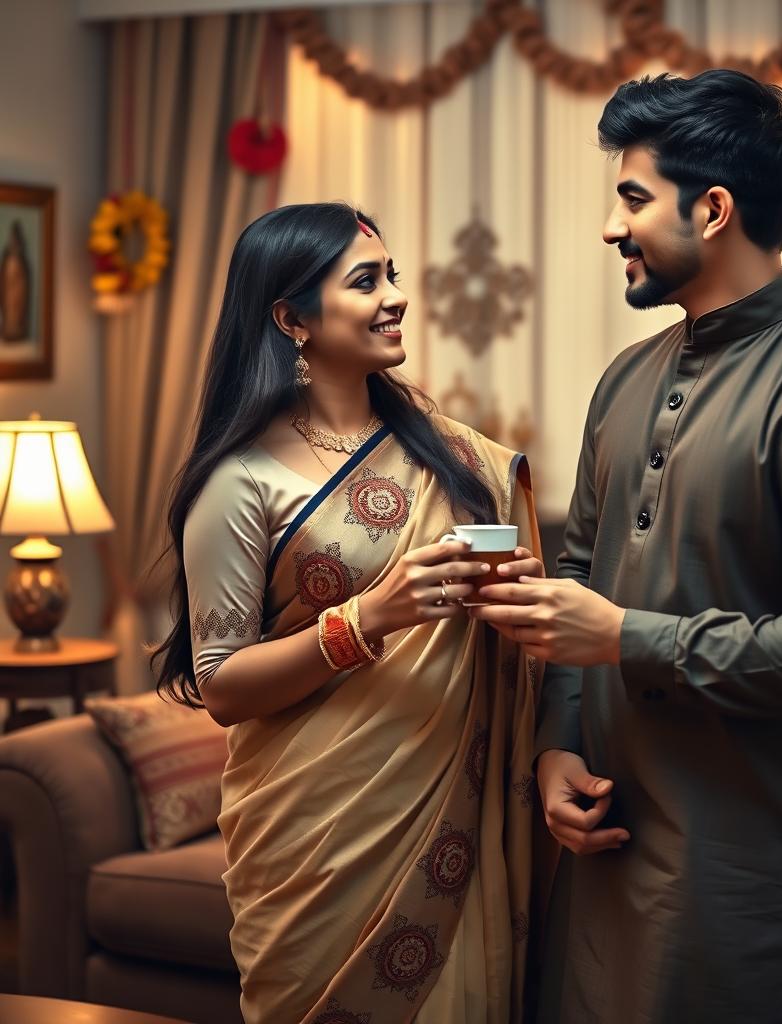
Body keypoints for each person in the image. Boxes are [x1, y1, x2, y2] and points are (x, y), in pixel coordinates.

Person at [471, 70, 782, 1023]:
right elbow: (577, 579)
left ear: (713, 209)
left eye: (633, 198)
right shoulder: (624, 381)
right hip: (604, 864)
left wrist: (624, 637)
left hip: (746, 894)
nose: (610, 225)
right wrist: (556, 748)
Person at [152, 202, 550, 1024]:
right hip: (315, 839)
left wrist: (520, 600)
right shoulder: (241, 479)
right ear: (291, 318)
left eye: (391, 276)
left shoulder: (451, 453)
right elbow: (220, 683)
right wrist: (368, 617)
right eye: (366, 281)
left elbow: (511, 623)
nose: (395, 296)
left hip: (454, 809)